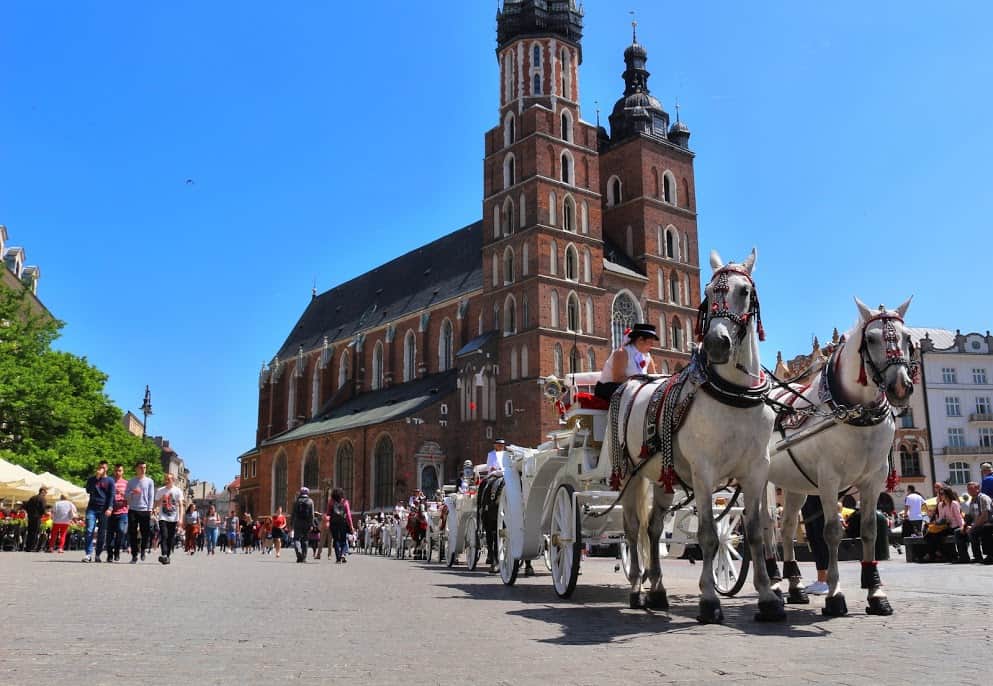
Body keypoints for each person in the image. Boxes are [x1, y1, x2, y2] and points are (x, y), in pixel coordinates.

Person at [593, 323, 660, 401]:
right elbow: (618, 379)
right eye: (650, 343)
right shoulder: (622, 353)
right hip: (609, 389)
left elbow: (653, 375)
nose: (652, 346)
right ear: (640, 340)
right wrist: (642, 383)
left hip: (635, 388)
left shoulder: (647, 356)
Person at [83, 461, 116, 563]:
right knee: (89, 530)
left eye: (104, 467)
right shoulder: (92, 479)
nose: (102, 469)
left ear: (107, 468)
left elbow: (111, 495)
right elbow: (88, 490)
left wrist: (110, 508)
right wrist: (96, 478)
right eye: (100, 467)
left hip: (104, 509)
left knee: (102, 533)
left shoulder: (110, 481)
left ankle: (98, 554)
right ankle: (88, 554)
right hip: (92, 508)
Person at [922, 486, 964, 562]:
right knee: (929, 534)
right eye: (939, 494)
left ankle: (944, 554)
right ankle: (936, 554)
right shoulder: (940, 505)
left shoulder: (954, 504)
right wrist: (935, 523)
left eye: (942, 494)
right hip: (945, 526)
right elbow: (941, 518)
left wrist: (962, 527)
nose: (940, 495)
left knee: (938, 535)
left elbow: (959, 517)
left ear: (948, 494)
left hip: (955, 526)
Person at [955, 481, 993, 564]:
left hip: (987, 524)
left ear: (978, 488)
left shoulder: (983, 498)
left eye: (971, 489)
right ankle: (963, 557)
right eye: (968, 489)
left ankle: (978, 557)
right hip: (977, 525)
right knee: (958, 532)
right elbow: (969, 516)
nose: (969, 491)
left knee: (973, 532)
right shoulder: (972, 500)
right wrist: (964, 527)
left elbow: (984, 516)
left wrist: (972, 527)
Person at [800, 495, 830, 595]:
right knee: (813, 537)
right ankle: (821, 579)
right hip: (806, 492)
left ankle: (828, 580)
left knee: (820, 536)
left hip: (819, 491)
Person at [126, 461, 155, 563]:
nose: (143, 469)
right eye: (141, 467)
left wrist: (150, 509)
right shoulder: (131, 481)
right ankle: (134, 555)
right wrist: (132, 492)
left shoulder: (149, 481)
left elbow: (151, 496)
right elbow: (127, 496)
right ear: (136, 469)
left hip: (145, 510)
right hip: (133, 509)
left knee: (145, 532)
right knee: (132, 533)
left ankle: (143, 549)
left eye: (145, 467)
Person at [154, 473, 184, 565]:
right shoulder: (160, 490)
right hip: (163, 517)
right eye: (166, 479)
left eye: (169, 479)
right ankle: (163, 555)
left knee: (171, 538)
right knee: (164, 536)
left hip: (174, 518)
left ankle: (167, 555)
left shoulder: (178, 491)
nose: (167, 481)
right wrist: (160, 501)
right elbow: (156, 504)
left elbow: (181, 505)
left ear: (173, 480)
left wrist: (181, 519)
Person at [105, 464, 129, 562]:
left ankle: (117, 552)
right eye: (116, 470)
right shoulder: (110, 482)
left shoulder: (127, 483)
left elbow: (130, 497)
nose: (118, 472)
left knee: (121, 532)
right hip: (111, 512)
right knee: (110, 534)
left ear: (123, 472)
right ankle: (110, 554)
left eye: (120, 470)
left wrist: (122, 493)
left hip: (123, 511)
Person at [326, 487, 355, 563]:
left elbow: (328, 513)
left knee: (336, 540)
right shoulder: (345, 502)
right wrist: (351, 525)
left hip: (333, 522)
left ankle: (338, 557)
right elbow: (348, 515)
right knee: (343, 540)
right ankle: (342, 554)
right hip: (343, 522)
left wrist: (328, 522)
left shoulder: (331, 502)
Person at [291, 487, 315, 563]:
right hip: (307, 522)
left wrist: (291, 523)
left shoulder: (296, 501)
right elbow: (312, 514)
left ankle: (298, 553)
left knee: (296, 539)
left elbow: (293, 513)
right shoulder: (310, 501)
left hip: (298, 522)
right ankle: (304, 557)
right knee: (305, 539)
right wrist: (312, 524)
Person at [23, 486, 48, 553]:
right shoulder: (42, 499)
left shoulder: (32, 497)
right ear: (42, 491)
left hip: (30, 517)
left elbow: (26, 506)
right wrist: (45, 513)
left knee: (30, 532)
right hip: (37, 517)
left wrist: (29, 513)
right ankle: (32, 547)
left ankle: (28, 547)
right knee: (35, 532)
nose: (46, 494)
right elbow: (43, 508)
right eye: (46, 492)